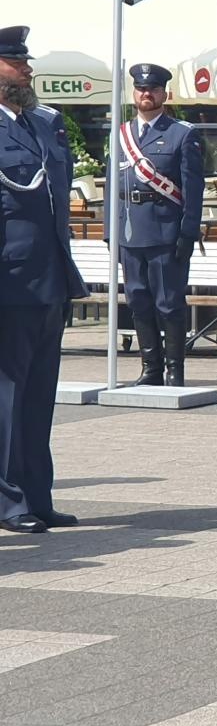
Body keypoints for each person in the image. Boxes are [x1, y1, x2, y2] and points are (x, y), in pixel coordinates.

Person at [0, 26, 87, 534]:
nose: (27, 69)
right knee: (8, 394)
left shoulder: (45, 124)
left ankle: (37, 495)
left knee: (39, 395)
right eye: (16, 62)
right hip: (9, 280)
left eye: (24, 62)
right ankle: (9, 502)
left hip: (49, 277)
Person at [113, 63, 205, 387]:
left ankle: (174, 370)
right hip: (130, 231)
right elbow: (114, 186)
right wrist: (111, 230)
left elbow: (194, 189)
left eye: (152, 89)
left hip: (166, 232)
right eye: (140, 89)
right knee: (138, 301)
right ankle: (151, 368)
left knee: (169, 303)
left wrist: (188, 231)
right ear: (134, 92)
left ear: (164, 94)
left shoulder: (182, 134)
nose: (146, 94)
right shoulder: (121, 135)